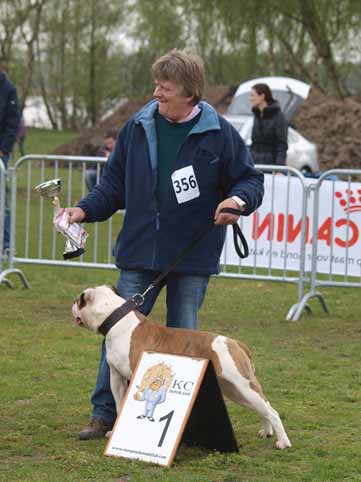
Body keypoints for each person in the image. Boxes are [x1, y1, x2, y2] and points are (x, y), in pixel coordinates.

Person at [63, 49, 264, 440]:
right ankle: (105, 414)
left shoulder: (220, 134)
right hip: (139, 252)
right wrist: (83, 211)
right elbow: (112, 187)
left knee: (184, 343)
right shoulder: (135, 128)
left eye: (165, 88)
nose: (156, 93)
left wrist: (236, 201)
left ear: (190, 92)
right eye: (156, 84)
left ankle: (173, 426)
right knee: (115, 339)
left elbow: (250, 180)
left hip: (192, 256)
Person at [0, 68, 21, 252]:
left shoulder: (8, 89)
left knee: (1, 199)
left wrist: (3, 150)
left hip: (0, 155)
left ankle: (6, 244)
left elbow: (13, 123)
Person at [250, 83, 288, 166]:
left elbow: (281, 144)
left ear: (262, 96)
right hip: (255, 165)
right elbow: (254, 143)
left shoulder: (279, 116)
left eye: (252, 95)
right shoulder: (256, 115)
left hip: (272, 167)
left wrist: (279, 168)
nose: (250, 99)